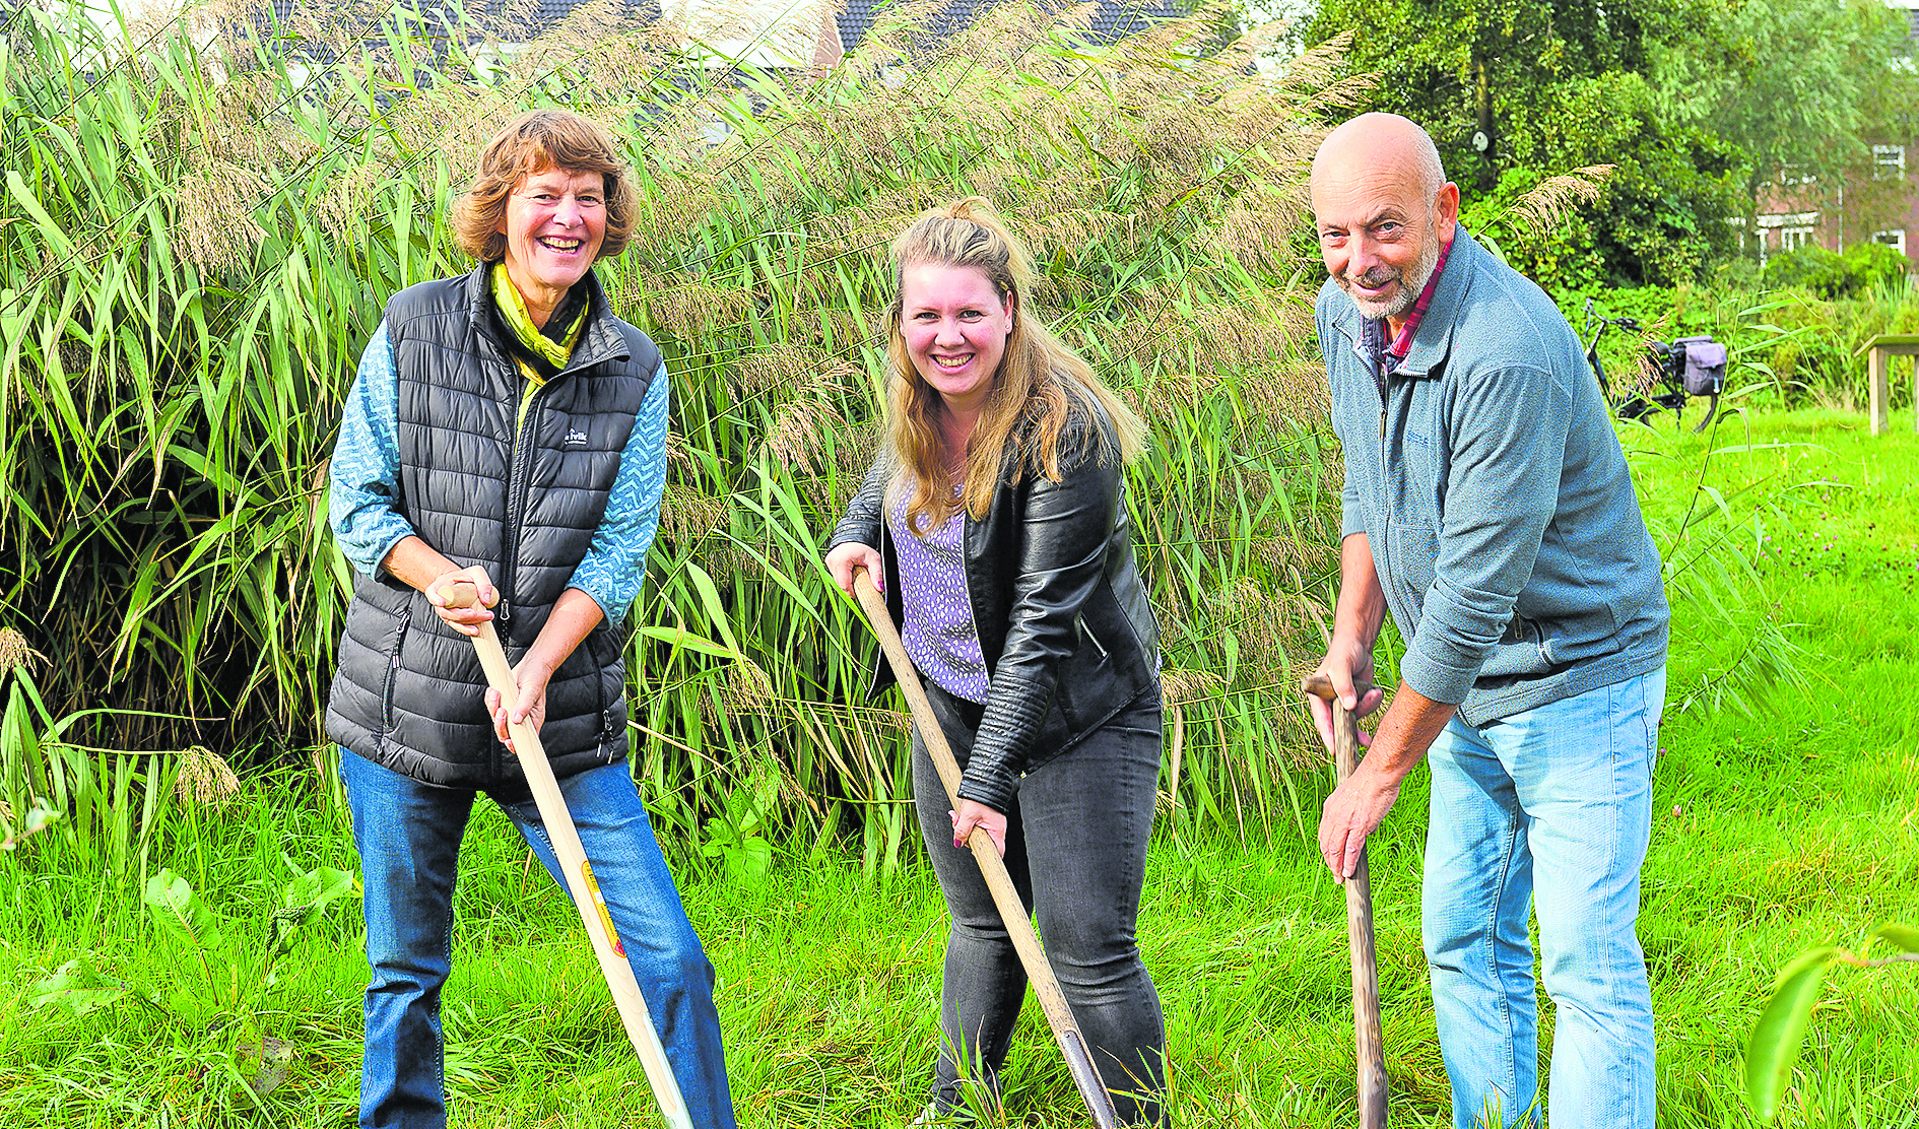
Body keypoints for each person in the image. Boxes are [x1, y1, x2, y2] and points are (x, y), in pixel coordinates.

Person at [324, 108, 736, 1129]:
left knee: (669, 957)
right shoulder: (414, 325)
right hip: (406, 707)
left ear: (610, 216)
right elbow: (357, 501)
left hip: (557, 713)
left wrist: (539, 664)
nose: (566, 217)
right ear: (499, 209)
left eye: (586, 198)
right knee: (405, 974)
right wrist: (435, 577)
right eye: (541, 195)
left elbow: (617, 549)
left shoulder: (633, 367)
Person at [1307, 112, 1671, 1129]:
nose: (1357, 258)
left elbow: (1470, 600)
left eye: (1382, 228)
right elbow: (1366, 486)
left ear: (1443, 211)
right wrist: (1352, 636)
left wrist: (1377, 772)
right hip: (1459, 692)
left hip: (1575, 678)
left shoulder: (1503, 350)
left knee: (1583, 964)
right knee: (1462, 935)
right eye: (1334, 233)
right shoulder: (1345, 316)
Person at [824, 198, 1168, 1127]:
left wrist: (987, 776)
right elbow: (889, 473)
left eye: (969, 312)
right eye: (924, 315)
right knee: (982, 924)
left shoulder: (1068, 430)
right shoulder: (919, 399)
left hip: (1078, 712)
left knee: (1085, 946)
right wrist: (859, 534)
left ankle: (1136, 1120)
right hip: (952, 697)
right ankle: (956, 1112)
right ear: (899, 321)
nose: (947, 335)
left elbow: (1042, 622)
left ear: (1009, 309)